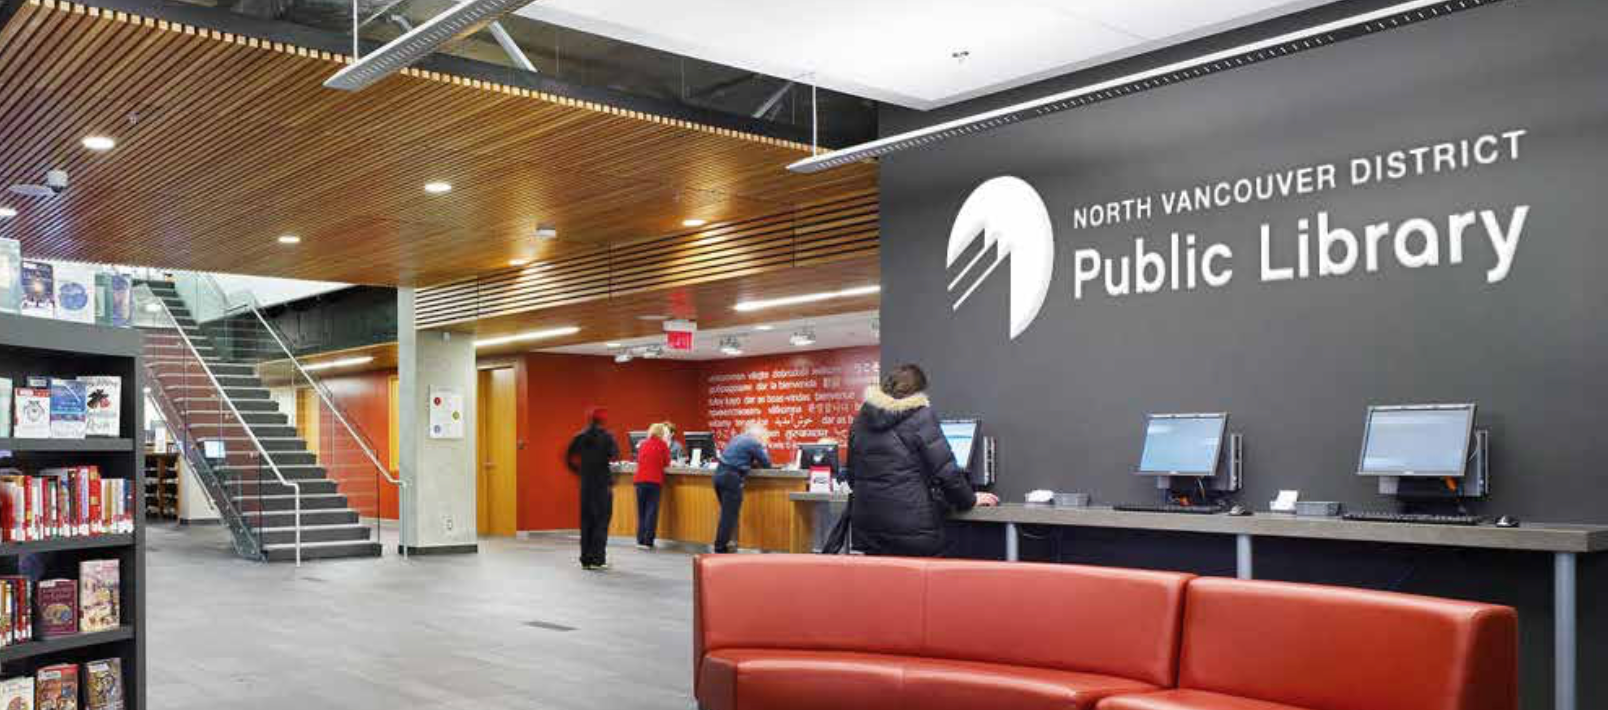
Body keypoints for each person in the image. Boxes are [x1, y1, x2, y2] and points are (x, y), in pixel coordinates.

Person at [847, 364, 999, 556]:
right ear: (918, 391)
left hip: (867, 531)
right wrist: (970, 499)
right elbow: (947, 473)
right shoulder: (921, 416)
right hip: (912, 532)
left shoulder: (861, 420)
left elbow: (851, 476)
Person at [566, 406, 620, 570]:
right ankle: (598, 559)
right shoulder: (608, 437)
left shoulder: (579, 437)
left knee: (586, 521)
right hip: (602, 484)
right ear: (603, 420)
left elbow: (569, 458)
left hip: (586, 485)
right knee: (601, 522)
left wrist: (579, 472)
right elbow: (615, 457)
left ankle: (586, 559)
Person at [711, 422, 772, 553]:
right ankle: (720, 548)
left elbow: (739, 457)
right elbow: (767, 464)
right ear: (759, 436)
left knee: (726, 514)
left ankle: (726, 544)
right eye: (764, 437)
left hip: (718, 476)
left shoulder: (737, 438)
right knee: (728, 516)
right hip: (731, 478)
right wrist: (763, 446)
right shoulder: (754, 443)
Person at [633, 422, 672, 550]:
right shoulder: (663, 445)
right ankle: (648, 541)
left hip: (639, 480)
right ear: (662, 433)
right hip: (654, 481)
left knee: (641, 511)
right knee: (651, 511)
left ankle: (640, 539)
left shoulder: (643, 444)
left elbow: (639, 460)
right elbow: (667, 462)